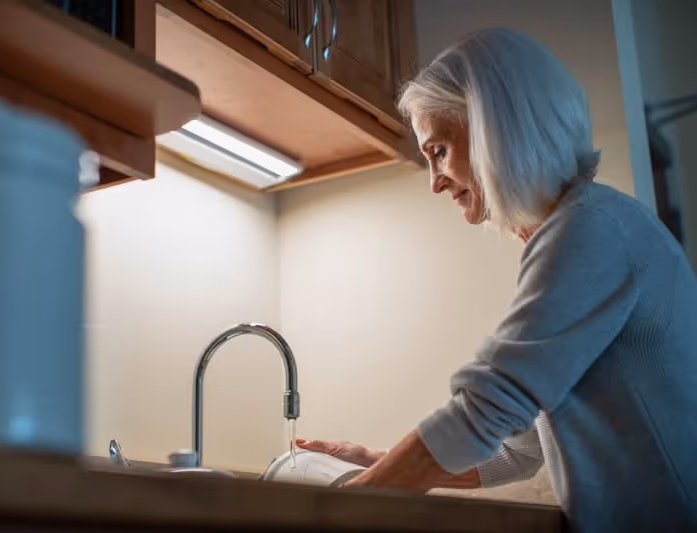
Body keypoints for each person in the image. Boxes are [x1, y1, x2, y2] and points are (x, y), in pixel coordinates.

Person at [298, 28, 697, 533]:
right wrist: (374, 462)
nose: (434, 181)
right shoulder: (590, 226)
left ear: (496, 132)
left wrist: (343, 506)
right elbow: (518, 450)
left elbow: (486, 410)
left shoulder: (590, 230)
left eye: (438, 150)